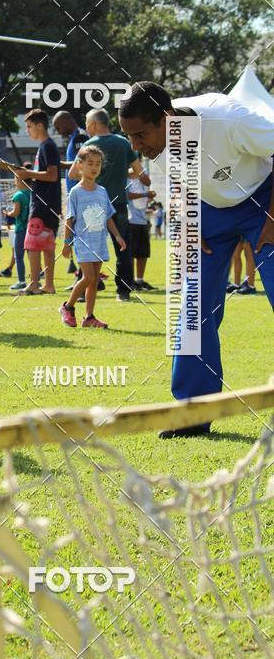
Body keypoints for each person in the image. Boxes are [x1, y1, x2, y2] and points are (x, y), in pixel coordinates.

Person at [119, 81, 274, 437]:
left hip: (262, 201)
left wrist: (271, 217)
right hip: (208, 210)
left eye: (140, 135)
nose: (135, 145)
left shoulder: (228, 118)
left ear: (167, 118)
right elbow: (179, 179)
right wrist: (187, 217)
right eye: (129, 136)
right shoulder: (158, 140)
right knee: (192, 306)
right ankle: (192, 412)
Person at [71, 109, 147, 302]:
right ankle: (123, 291)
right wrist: (122, 172)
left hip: (92, 204)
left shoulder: (89, 145)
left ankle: (84, 288)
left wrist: (91, 173)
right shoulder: (124, 143)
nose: (86, 127)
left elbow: (72, 173)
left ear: (93, 124)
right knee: (123, 247)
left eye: (87, 123)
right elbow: (139, 172)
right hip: (119, 203)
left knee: (88, 244)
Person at [60, 146, 126, 328]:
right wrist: (66, 243)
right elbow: (69, 219)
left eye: (98, 164)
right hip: (83, 243)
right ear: (79, 165)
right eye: (90, 163)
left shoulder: (102, 191)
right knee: (88, 277)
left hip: (99, 243)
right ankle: (67, 307)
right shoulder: (75, 192)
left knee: (94, 281)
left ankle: (89, 317)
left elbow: (108, 217)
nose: (94, 167)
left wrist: (117, 236)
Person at [0, 109, 61, 295]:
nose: (27, 131)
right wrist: (22, 171)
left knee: (32, 244)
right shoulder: (47, 146)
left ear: (40, 126)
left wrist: (27, 173)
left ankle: (34, 283)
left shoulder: (47, 146)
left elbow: (52, 175)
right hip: (50, 204)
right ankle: (48, 285)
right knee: (47, 246)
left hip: (42, 205)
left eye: (29, 126)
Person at [53, 110, 89, 275]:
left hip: (81, 191)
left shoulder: (80, 137)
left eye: (58, 127)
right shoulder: (74, 137)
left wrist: (56, 163)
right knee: (76, 232)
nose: (58, 131)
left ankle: (86, 275)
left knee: (81, 233)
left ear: (66, 122)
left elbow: (81, 163)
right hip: (74, 191)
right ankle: (82, 274)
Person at [127, 166, 156, 291]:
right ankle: (130, 281)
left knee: (143, 253)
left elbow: (148, 182)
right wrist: (145, 194)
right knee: (131, 254)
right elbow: (128, 195)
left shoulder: (142, 182)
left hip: (143, 221)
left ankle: (140, 281)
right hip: (131, 221)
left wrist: (148, 197)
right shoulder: (126, 180)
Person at [5, 167, 31, 290]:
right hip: (32, 229)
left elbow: (16, 212)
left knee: (19, 256)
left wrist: (8, 213)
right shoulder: (32, 193)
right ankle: (35, 280)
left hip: (21, 228)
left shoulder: (18, 195)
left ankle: (21, 281)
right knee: (32, 255)